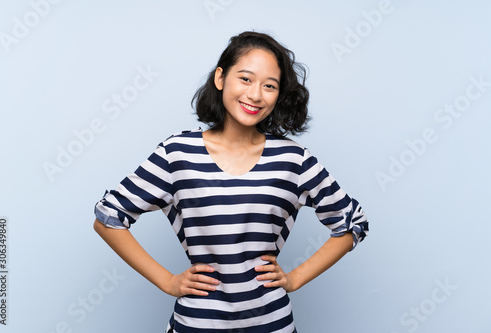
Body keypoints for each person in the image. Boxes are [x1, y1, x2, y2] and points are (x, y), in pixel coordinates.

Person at [93, 31, 369, 332]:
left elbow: (353, 222)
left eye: (270, 86)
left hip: (272, 324)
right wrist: (167, 281)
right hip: (195, 324)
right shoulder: (177, 153)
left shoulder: (294, 159)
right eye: (246, 79)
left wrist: (295, 278)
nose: (255, 95)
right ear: (221, 78)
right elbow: (109, 216)